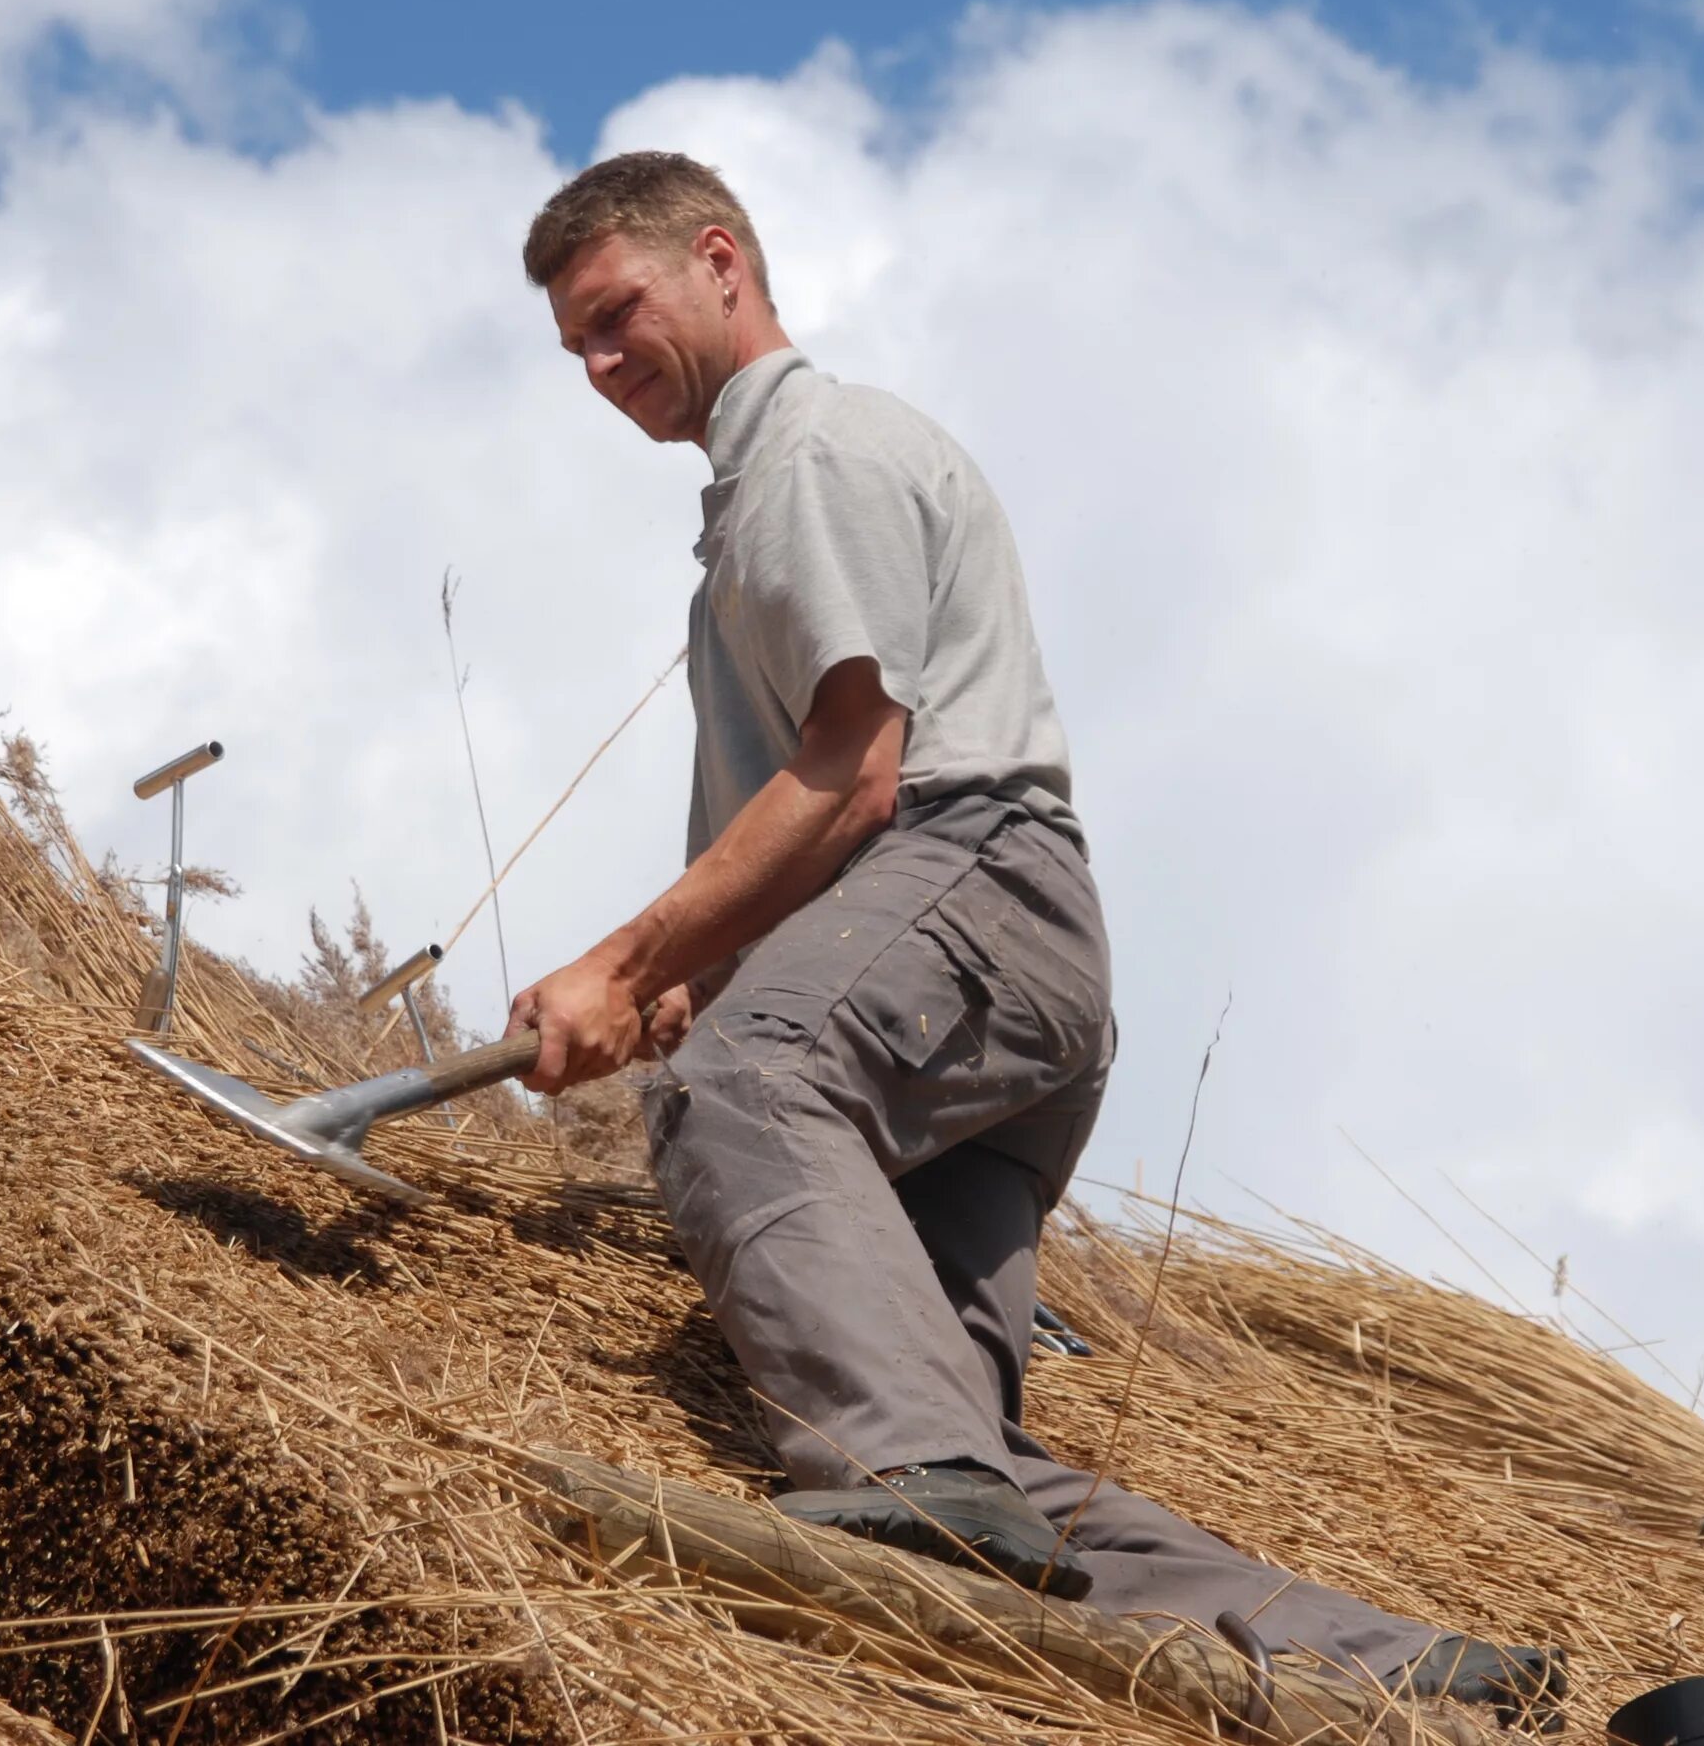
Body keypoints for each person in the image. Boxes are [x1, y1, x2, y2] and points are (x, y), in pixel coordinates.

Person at [504, 152, 1560, 1732]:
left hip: (967, 890)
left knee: (747, 1089)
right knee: (960, 1434)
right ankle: (1390, 1669)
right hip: (972, 984)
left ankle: (909, 1483)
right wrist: (698, 966)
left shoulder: (813, 454)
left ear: (720, 263)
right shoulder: (765, 495)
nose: (600, 367)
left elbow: (859, 771)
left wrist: (641, 968)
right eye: (576, 348)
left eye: (616, 315)